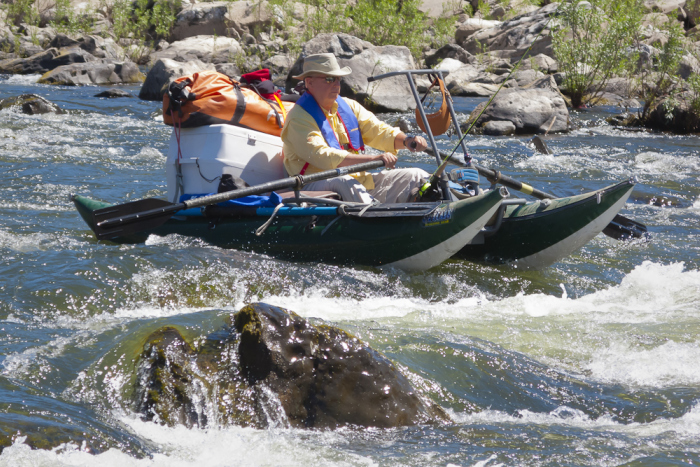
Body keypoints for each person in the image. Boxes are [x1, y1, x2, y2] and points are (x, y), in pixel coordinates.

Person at [280, 53, 430, 204]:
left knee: (416, 176)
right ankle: (377, 217)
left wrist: (407, 141)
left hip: (357, 183)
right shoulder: (298, 118)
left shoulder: (349, 106)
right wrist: (373, 159)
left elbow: (378, 130)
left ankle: (433, 209)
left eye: (338, 78)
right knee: (343, 181)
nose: (336, 84)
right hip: (313, 186)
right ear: (309, 83)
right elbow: (323, 156)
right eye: (329, 79)